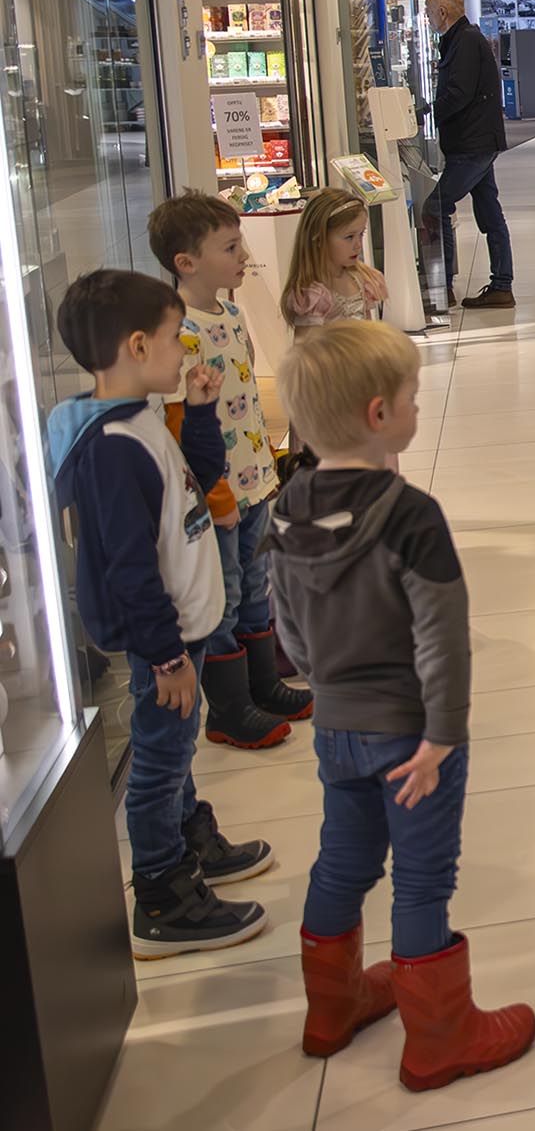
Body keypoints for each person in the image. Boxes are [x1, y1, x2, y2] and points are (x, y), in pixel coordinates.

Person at [266, 320, 535, 1089]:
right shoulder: (409, 515)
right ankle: (442, 1038)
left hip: (337, 726)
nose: (420, 405)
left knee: (342, 862)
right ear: (381, 414)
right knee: (421, 882)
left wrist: (329, 691)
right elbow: (441, 636)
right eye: (414, 395)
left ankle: (331, 1008)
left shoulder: (286, 510)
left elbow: (286, 625)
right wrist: (444, 733)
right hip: (414, 736)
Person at [49, 270, 272, 959]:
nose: (185, 352)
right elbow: (128, 565)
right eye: (177, 339)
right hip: (165, 641)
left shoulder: (140, 419)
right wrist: (167, 654)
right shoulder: (112, 448)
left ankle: (190, 840)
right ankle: (163, 895)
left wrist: (200, 410)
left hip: (183, 629)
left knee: (174, 754)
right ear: (137, 345)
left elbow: (195, 481)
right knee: (157, 761)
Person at [153, 191, 311, 752]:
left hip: (253, 478)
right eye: (230, 247)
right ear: (186, 262)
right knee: (222, 593)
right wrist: (207, 489)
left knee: (252, 584)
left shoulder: (232, 313)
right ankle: (230, 706)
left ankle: (262, 683)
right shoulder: (179, 329)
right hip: (214, 492)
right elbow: (175, 422)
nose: (244, 254)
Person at [424, 0, 516, 310]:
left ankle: (442, 287)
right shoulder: (462, 40)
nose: (427, 18)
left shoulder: (464, 42)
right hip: (477, 142)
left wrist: (430, 109)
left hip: (471, 144)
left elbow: (458, 93)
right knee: (490, 212)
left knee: (435, 205)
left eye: (428, 11)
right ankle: (502, 285)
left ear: (442, 13)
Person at [282, 189, 388, 329]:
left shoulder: (362, 279)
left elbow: (369, 333)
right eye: (349, 237)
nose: (358, 245)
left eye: (361, 234)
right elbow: (305, 347)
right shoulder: (312, 295)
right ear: (319, 238)